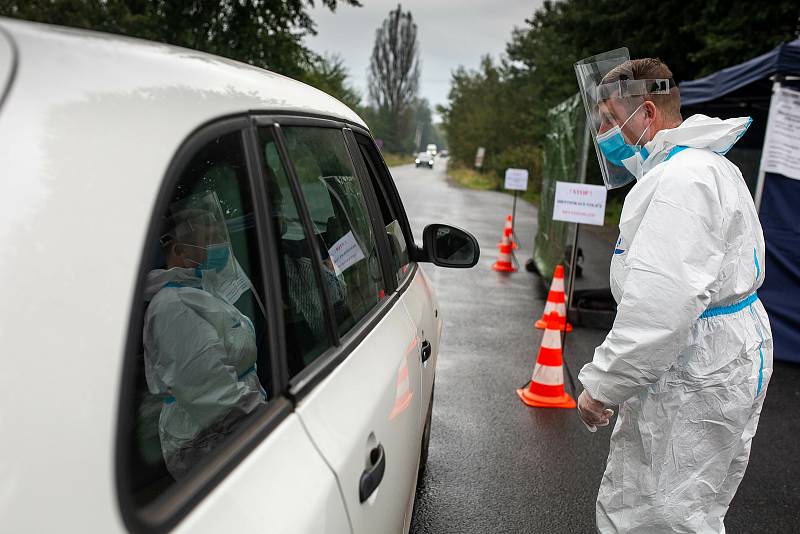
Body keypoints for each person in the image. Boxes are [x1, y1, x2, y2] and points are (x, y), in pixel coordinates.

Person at [573, 50, 773, 533]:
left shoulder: (682, 180)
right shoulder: (708, 167)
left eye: (611, 120)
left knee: (656, 513)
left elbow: (662, 305)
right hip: (717, 358)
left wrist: (602, 384)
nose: (606, 135)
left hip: (696, 367)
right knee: (691, 508)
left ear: (647, 113)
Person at [143, 194, 267, 479]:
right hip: (206, 439)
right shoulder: (172, 307)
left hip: (228, 428)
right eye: (210, 236)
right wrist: (266, 418)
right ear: (178, 249)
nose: (220, 243)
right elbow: (213, 392)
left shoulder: (197, 289)